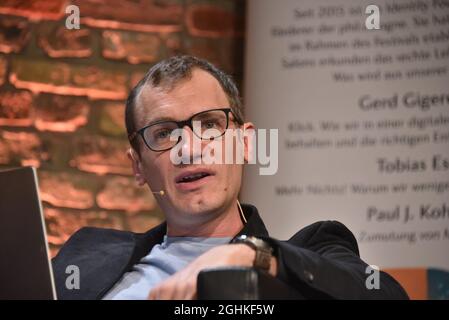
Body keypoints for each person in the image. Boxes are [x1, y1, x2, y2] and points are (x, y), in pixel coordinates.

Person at [52, 55, 408, 300]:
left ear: (246, 143)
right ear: (138, 166)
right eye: (163, 133)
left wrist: (253, 255)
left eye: (209, 124)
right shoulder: (87, 254)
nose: (188, 149)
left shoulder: (311, 249)